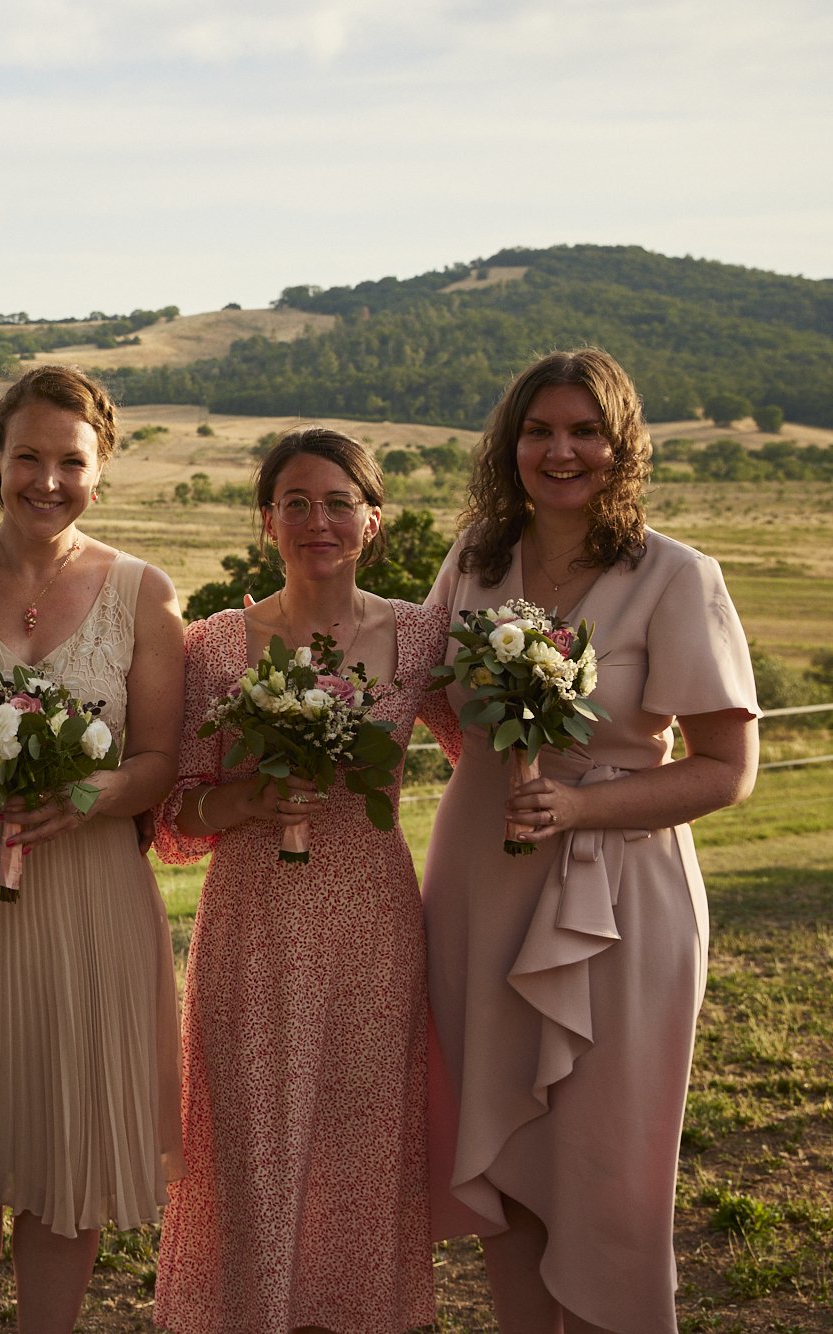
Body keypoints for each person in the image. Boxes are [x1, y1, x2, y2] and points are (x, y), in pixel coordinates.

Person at [424, 349, 759, 1333]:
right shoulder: (474, 560)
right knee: (497, 1143)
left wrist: (576, 806)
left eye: (582, 430)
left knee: (609, 1163)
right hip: (481, 877)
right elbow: (442, 702)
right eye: (536, 430)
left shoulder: (674, 575)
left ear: (620, 445)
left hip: (622, 898)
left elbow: (723, 769)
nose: (557, 450)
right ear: (508, 444)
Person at [0, 365, 185, 1334]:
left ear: (100, 467)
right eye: (27, 457)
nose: (46, 479)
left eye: (70, 460)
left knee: (68, 1145)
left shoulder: (142, 589)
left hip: (86, 896)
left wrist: (92, 789)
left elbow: (160, 761)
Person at [150, 427, 458, 1333]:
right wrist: (244, 801)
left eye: (337, 503)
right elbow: (172, 813)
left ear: (372, 519)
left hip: (374, 922)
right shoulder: (214, 647)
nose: (317, 521)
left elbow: (483, 745)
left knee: (360, 1150)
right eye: (295, 502)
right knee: (253, 1145)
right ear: (266, 522)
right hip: (253, 923)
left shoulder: (418, 635)